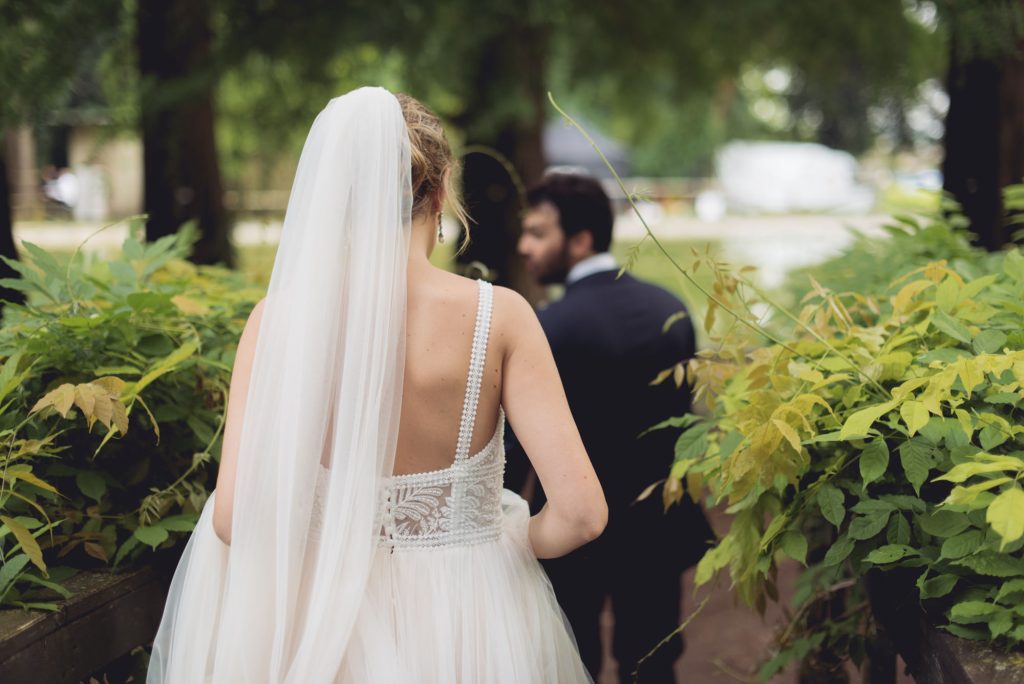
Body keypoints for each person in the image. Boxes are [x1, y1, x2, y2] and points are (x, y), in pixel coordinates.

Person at [148, 87, 606, 683]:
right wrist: (505, 540)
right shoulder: (503, 317)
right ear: (441, 193)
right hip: (469, 622)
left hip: (322, 628)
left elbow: (233, 519)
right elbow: (581, 515)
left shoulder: (277, 323)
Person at [513, 172, 712, 683]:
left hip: (575, 525)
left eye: (538, 233)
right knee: (652, 661)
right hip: (658, 522)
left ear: (579, 239)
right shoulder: (670, 309)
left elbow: (520, 444)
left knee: (569, 660)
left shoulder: (548, 326)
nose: (524, 246)